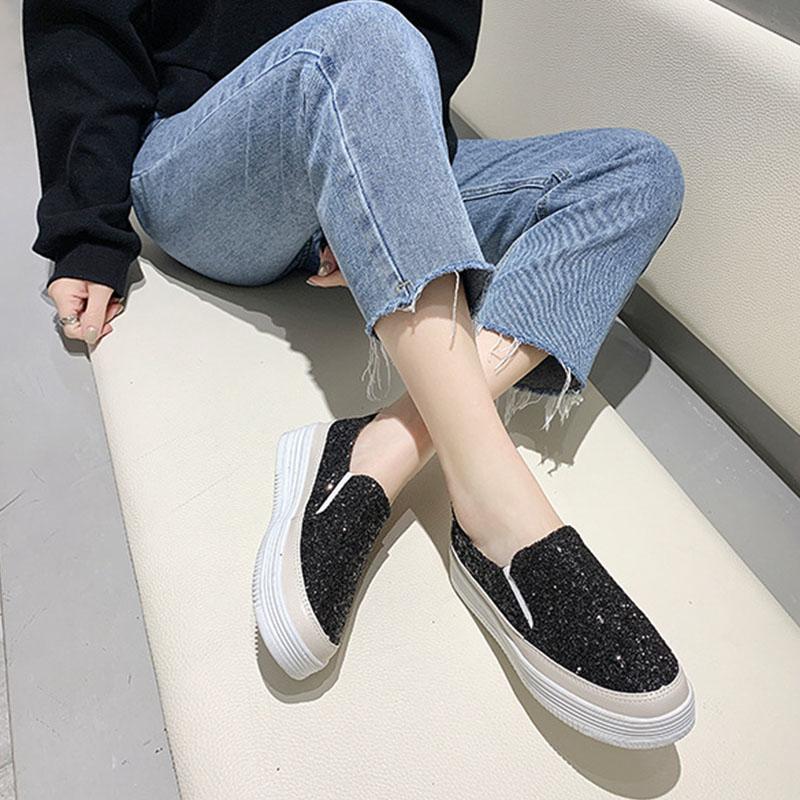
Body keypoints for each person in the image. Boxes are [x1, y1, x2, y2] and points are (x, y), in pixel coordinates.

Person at [24, 0, 695, 748]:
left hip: (363, 117)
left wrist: (376, 183)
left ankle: (385, 445)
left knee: (639, 172)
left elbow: (434, 32)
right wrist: (87, 230)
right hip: (212, 157)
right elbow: (82, 22)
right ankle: (495, 508)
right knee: (363, 31)